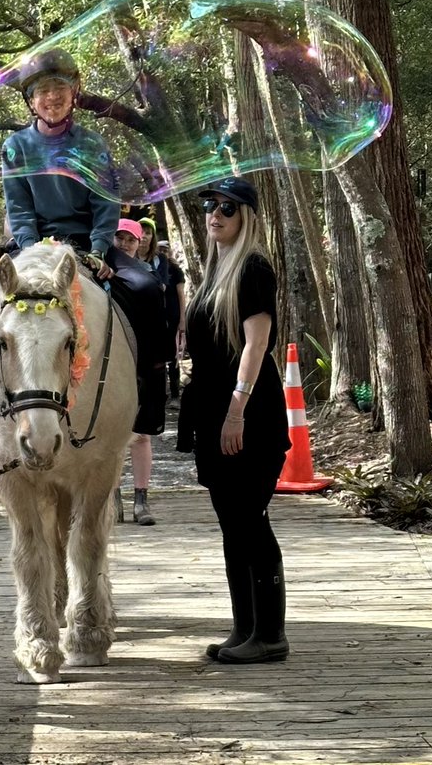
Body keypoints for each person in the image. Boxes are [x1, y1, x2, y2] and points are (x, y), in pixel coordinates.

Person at [0, 48, 165, 434]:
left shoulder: (92, 144)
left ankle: (149, 391)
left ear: (74, 93)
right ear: (31, 101)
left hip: (88, 241)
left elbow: (105, 205)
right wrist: (33, 250)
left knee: (149, 288)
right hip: (33, 243)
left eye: (60, 88)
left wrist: (99, 250)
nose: (52, 97)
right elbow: (19, 209)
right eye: (42, 90)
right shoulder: (16, 147)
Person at [178, 176, 289, 665]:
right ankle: (245, 628)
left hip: (247, 415)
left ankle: (270, 635)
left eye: (227, 207)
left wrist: (235, 411)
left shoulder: (253, 268)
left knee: (250, 519)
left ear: (246, 215)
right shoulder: (214, 270)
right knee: (231, 523)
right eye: (210, 206)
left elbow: (257, 345)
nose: (215, 215)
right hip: (212, 410)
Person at [111, 219, 167, 526]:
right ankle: (114, 498)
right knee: (113, 436)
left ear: (139, 242)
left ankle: (141, 500)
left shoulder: (148, 277)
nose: (124, 244)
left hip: (142, 364)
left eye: (129, 239)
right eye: (118, 238)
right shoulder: (102, 274)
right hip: (112, 364)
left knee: (141, 434)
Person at [158, 239, 187, 399]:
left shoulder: (175, 270)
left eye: (165, 250)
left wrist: (182, 320)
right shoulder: (153, 266)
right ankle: (162, 394)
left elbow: (181, 295)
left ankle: (175, 395)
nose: (162, 252)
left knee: (173, 357)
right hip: (159, 319)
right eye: (160, 249)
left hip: (173, 318)